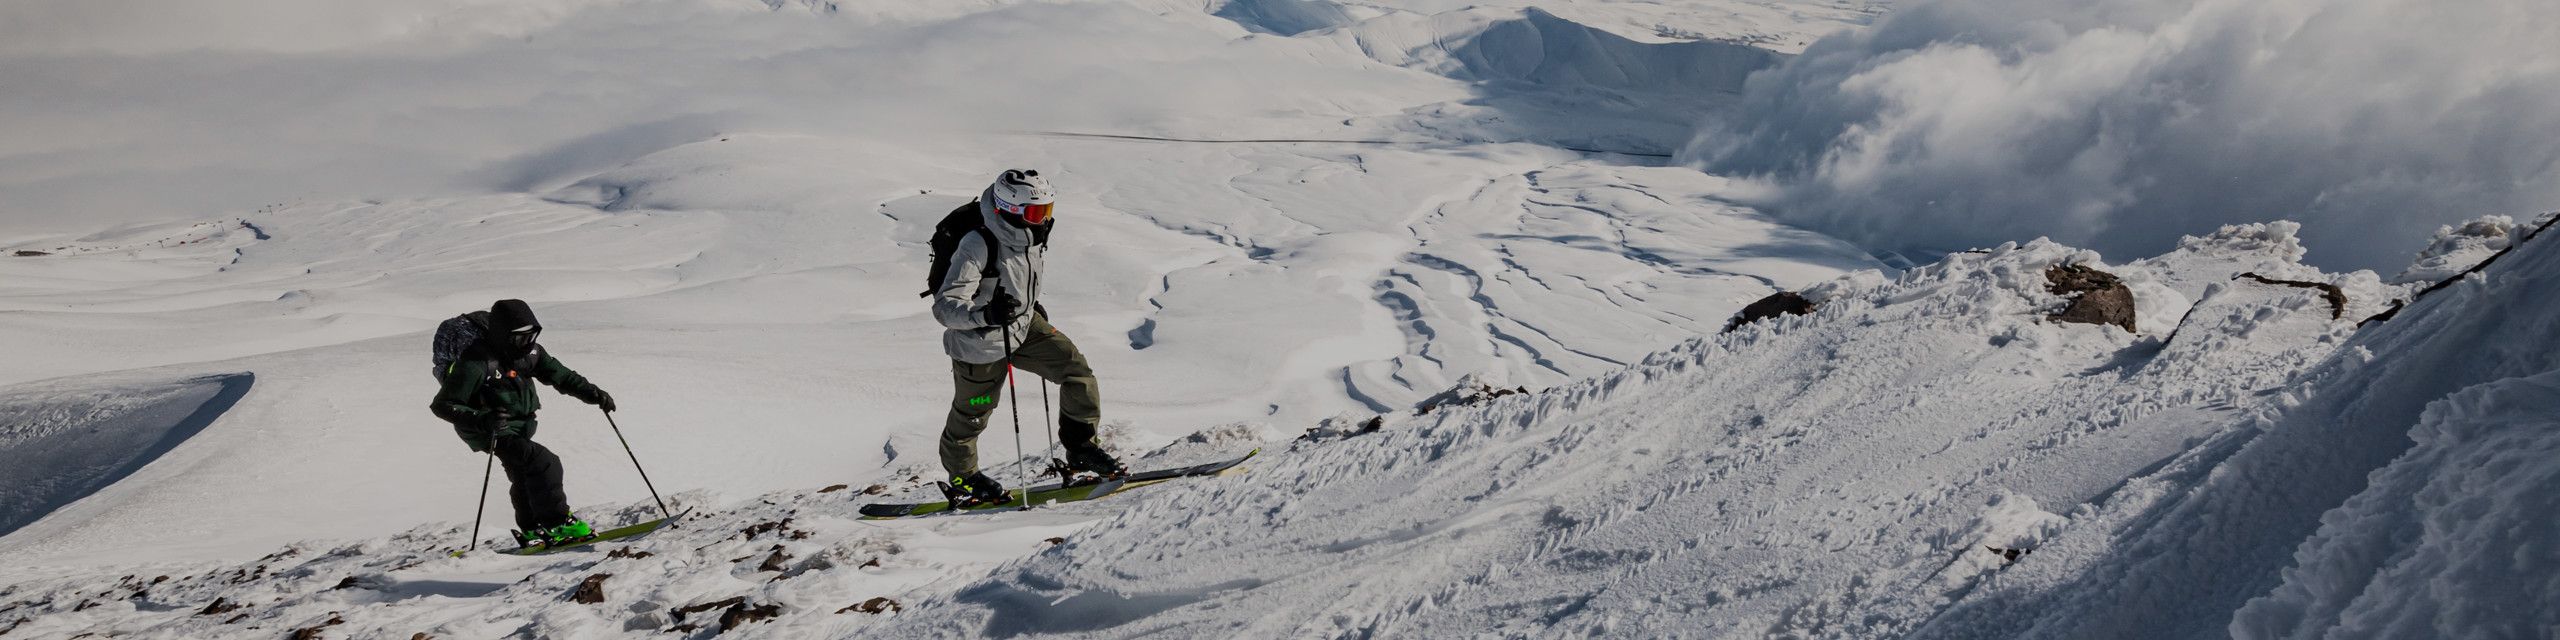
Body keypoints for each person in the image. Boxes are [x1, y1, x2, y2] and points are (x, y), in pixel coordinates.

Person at [930, 169, 1125, 505]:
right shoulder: (978, 243)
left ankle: (1080, 448)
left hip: (1023, 326)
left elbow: (1014, 278)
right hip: (980, 343)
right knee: (973, 414)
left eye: (1047, 210)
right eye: (1037, 212)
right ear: (1011, 209)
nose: (1044, 219)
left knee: (1077, 373)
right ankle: (964, 477)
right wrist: (986, 315)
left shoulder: (1029, 234)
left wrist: (1030, 305)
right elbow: (945, 308)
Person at [430, 299, 617, 546]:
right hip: (488, 430)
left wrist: (592, 393)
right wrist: (484, 420)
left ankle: (532, 528)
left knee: (524, 473)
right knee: (543, 461)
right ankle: (557, 523)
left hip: (517, 426)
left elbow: (560, 375)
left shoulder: (531, 353)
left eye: (531, 336)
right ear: (502, 335)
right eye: (519, 338)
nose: (526, 343)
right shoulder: (477, 362)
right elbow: (443, 405)